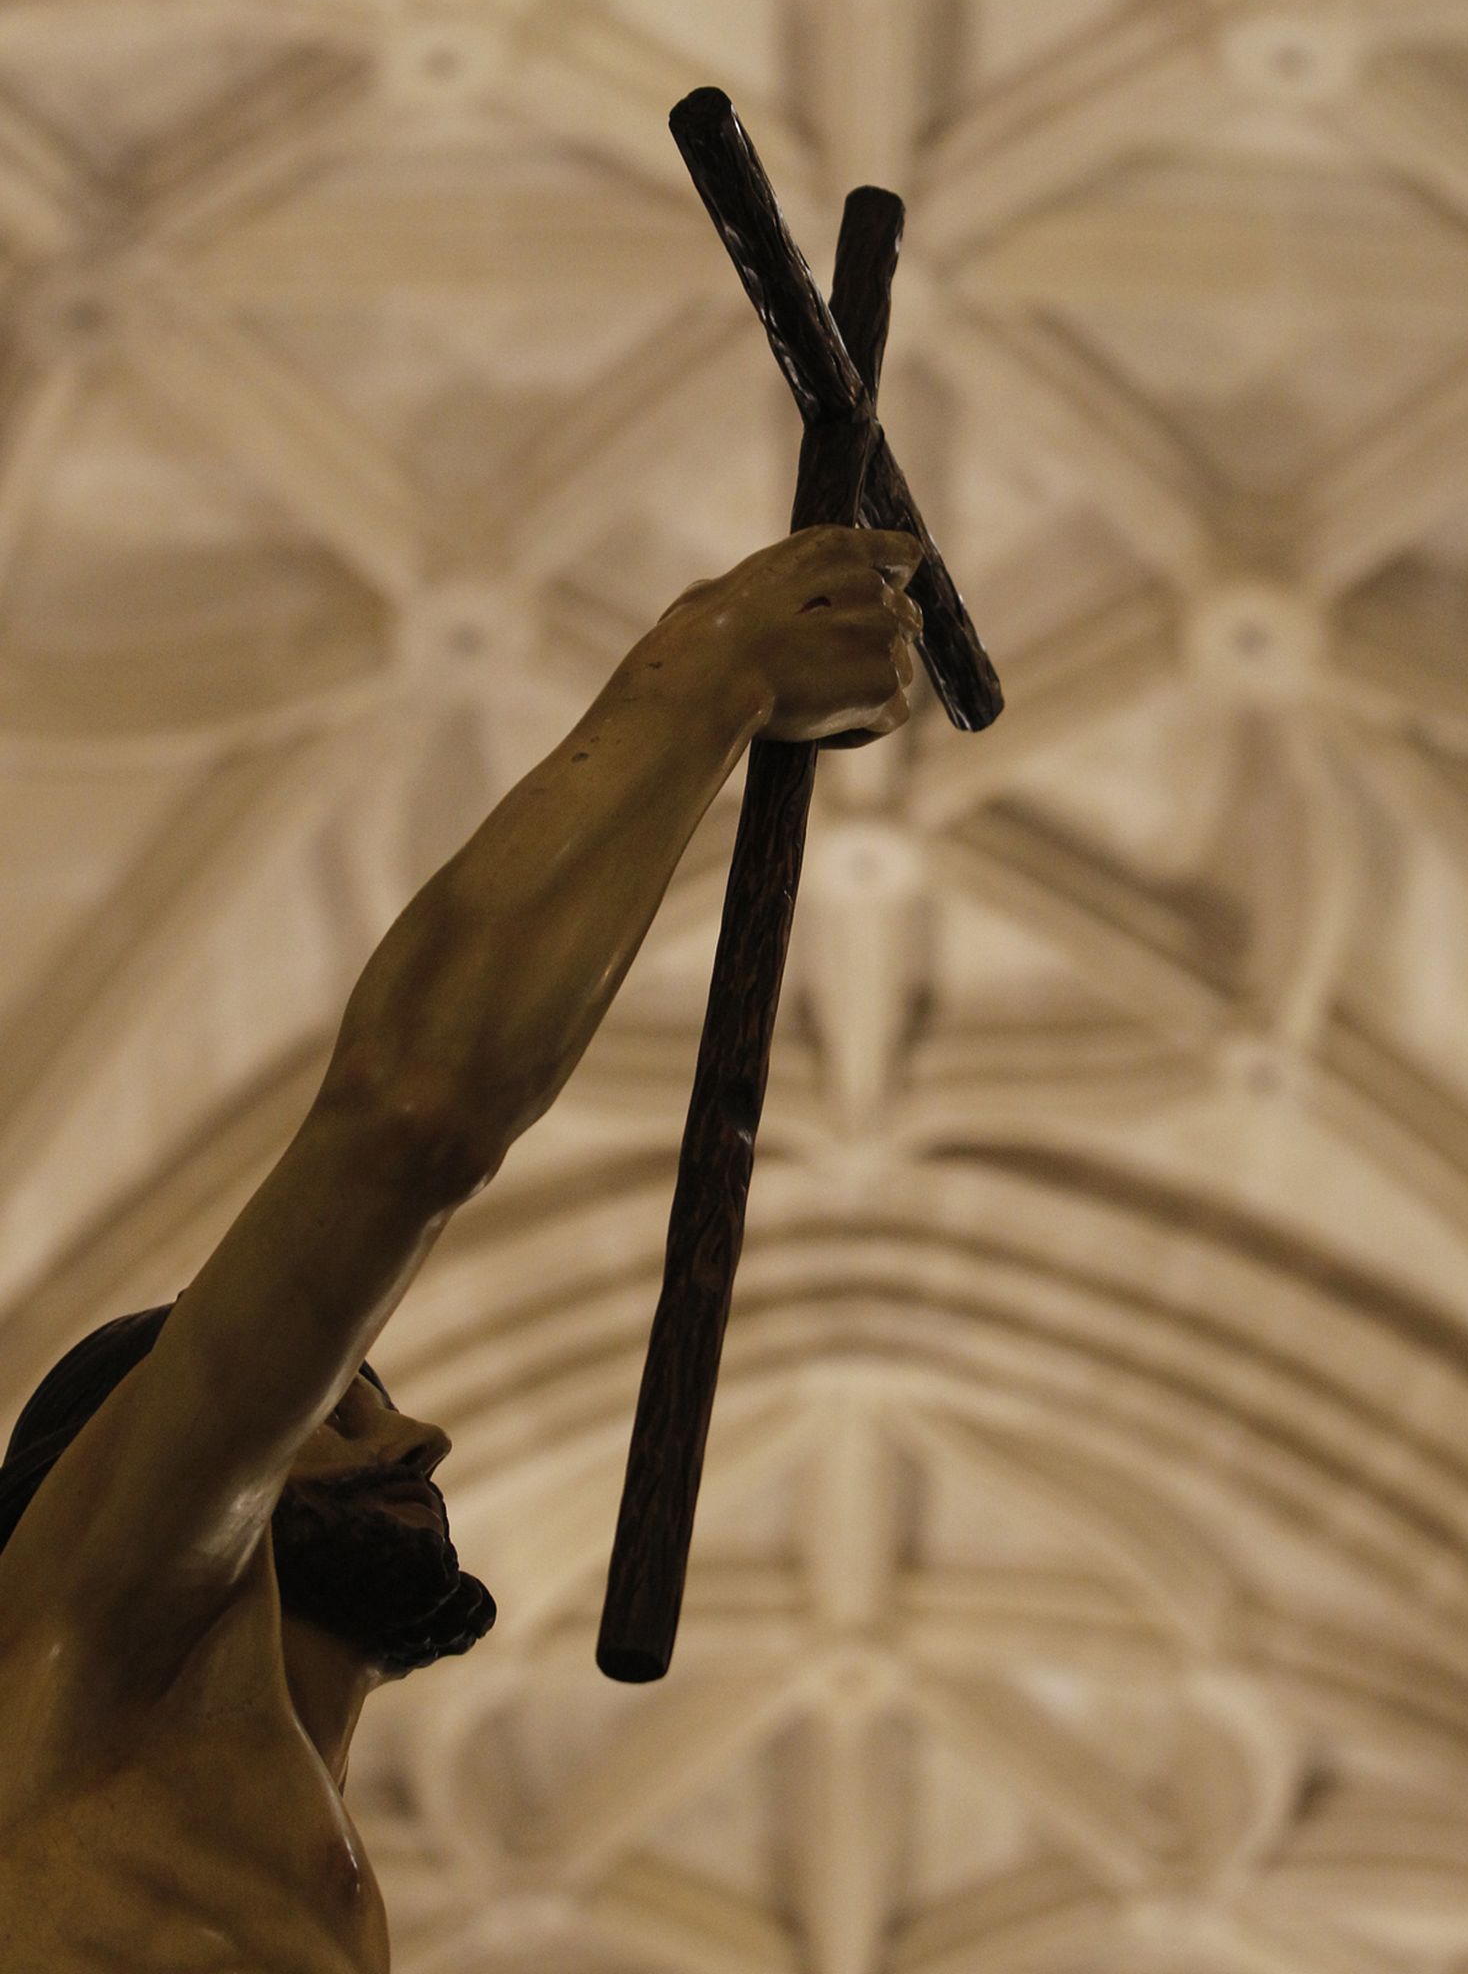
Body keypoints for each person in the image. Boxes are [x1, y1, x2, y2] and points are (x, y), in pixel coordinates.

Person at [0, 523, 924, 1972]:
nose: (422, 1437)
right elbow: (407, 1118)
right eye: (337, 1402)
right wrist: (709, 672)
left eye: (351, 1399)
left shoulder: (275, 1852)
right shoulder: (70, 1646)